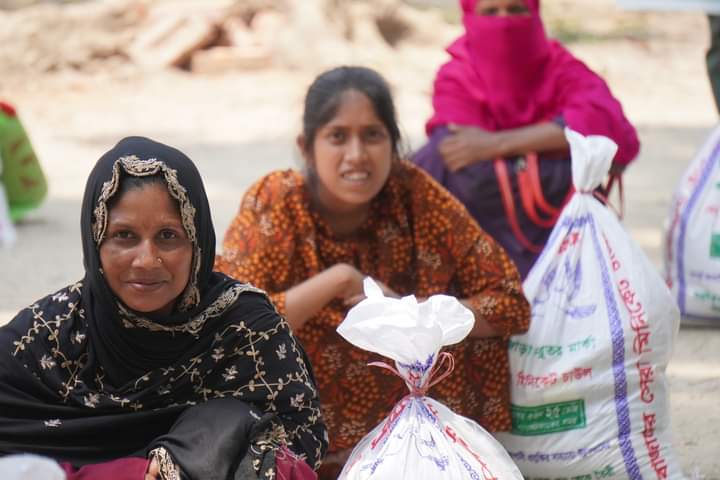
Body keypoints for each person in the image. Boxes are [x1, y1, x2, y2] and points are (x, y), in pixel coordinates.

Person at [215, 66, 531, 478]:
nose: (357, 155)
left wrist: (405, 313)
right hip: (296, 434)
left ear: (394, 144)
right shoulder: (277, 201)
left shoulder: (414, 195)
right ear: (306, 146)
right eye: (337, 136)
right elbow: (229, 323)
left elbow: (510, 303)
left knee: (450, 332)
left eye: (373, 135)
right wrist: (338, 280)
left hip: (417, 448)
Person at [0, 137, 327, 480]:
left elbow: (303, 437)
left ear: (197, 243)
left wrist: (203, 450)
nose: (146, 260)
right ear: (95, 242)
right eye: (124, 236)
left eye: (168, 236)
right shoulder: (53, 331)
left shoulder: (246, 331)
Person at [413, 0, 640, 278]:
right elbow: (463, 165)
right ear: (470, 16)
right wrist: (558, 150)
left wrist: (495, 145)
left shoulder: (562, 67)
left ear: (534, 13)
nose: (505, 22)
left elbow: (609, 130)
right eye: (491, 12)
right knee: (430, 161)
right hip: (479, 242)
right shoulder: (457, 76)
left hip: (564, 242)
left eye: (516, 9)